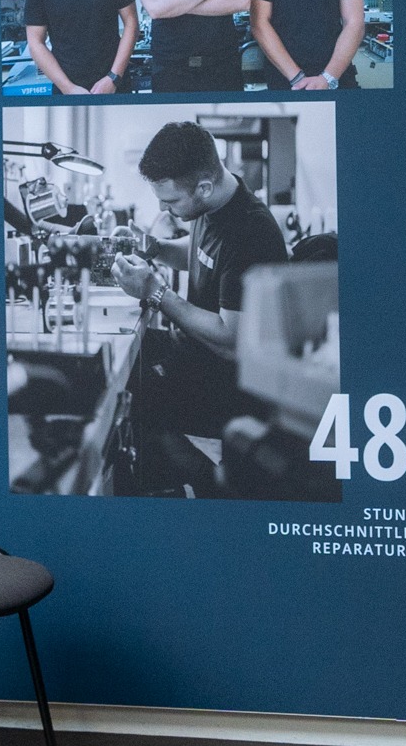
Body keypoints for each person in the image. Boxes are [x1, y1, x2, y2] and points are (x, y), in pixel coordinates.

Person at [111, 122, 288, 494]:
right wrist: (154, 247)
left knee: (127, 401)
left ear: (204, 187)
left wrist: (156, 292)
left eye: (171, 201)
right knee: (113, 363)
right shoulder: (213, 203)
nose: (164, 209)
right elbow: (201, 255)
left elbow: (230, 340)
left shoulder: (251, 233)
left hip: (226, 383)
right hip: (195, 353)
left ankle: (207, 488)